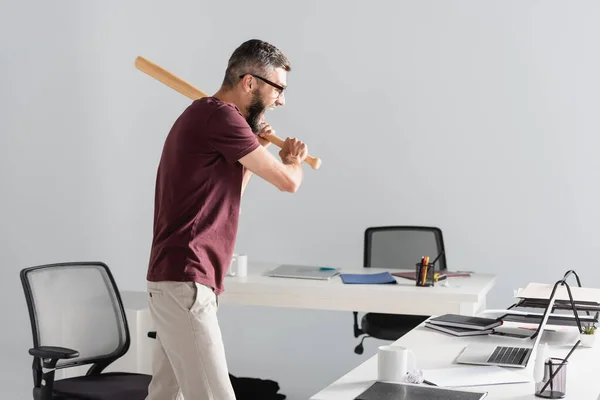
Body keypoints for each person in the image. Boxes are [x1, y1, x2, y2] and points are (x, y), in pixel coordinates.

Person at [144, 39, 307, 400]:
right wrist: (293, 159)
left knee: (164, 396)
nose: (281, 101)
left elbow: (231, 189)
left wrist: (260, 147)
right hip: (186, 279)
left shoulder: (209, 116)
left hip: (177, 280)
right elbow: (288, 182)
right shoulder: (221, 116)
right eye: (278, 89)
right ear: (249, 83)